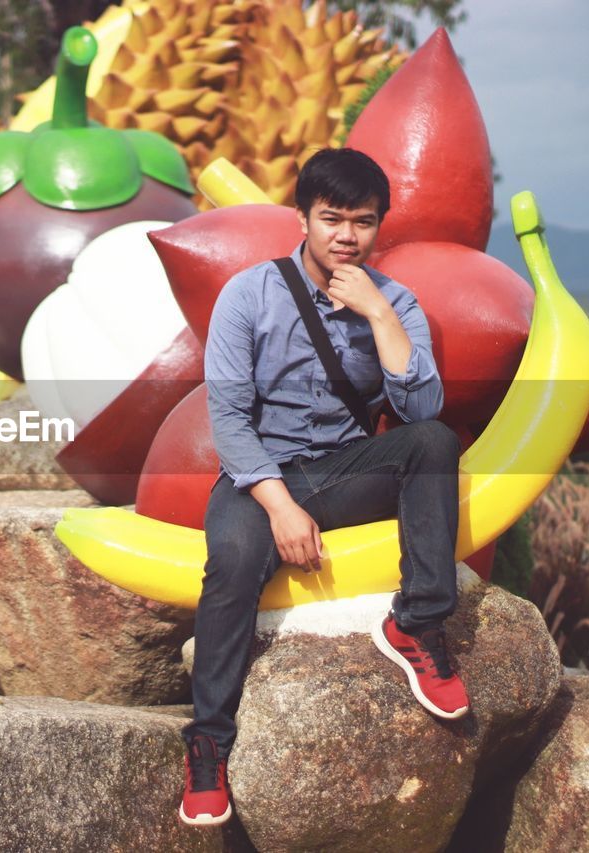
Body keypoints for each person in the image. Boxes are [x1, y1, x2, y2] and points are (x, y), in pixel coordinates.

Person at [177, 148, 469, 828]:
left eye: (362, 222)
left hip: (343, 467)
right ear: (303, 217)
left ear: (378, 226)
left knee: (435, 444)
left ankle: (418, 623)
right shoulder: (248, 294)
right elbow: (228, 418)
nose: (346, 235)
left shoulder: (394, 301)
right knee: (232, 566)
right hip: (259, 478)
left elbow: (421, 411)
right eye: (331, 218)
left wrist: (380, 317)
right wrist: (278, 505)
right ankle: (210, 744)